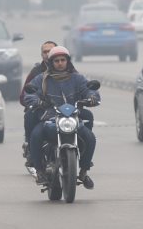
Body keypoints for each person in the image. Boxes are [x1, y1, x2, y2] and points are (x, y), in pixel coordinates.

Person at [24, 46, 99, 189]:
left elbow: (89, 90)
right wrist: (37, 101)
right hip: (49, 118)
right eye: (56, 60)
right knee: (36, 135)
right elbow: (29, 94)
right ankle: (39, 171)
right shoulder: (41, 79)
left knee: (90, 137)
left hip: (72, 118)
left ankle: (83, 171)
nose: (60, 63)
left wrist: (92, 98)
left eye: (62, 60)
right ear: (51, 62)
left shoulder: (77, 78)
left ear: (67, 61)